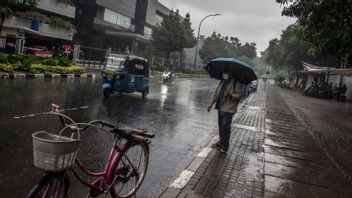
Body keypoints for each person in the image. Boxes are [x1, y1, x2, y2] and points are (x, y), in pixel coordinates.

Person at [207, 71, 242, 153]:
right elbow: (216, 94)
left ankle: (225, 146)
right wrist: (211, 104)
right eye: (224, 72)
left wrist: (230, 95)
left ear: (231, 73)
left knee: (226, 126)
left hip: (229, 108)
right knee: (221, 126)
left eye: (227, 72)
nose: (225, 74)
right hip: (220, 107)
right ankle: (221, 142)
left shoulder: (236, 83)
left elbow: (239, 95)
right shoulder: (222, 81)